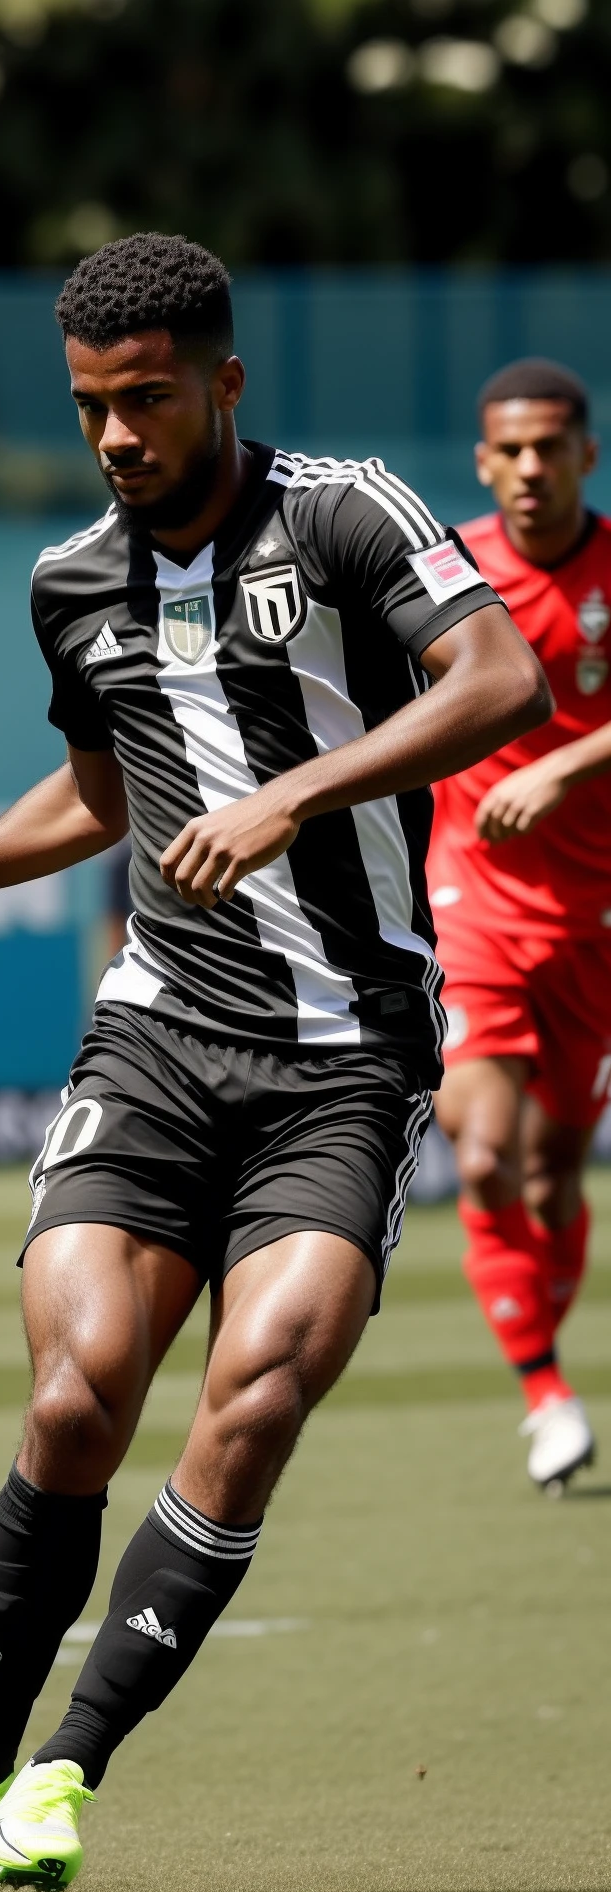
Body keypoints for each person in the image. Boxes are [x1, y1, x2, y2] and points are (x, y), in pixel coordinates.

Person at [0, 234, 545, 1892]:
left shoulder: (344, 514)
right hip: (158, 1035)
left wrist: (294, 795)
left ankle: (60, 1768)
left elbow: (500, 674)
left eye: (144, 401)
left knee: (251, 1390)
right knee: (73, 1394)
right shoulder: (71, 580)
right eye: (87, 408)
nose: (115, 436)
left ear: (221, 382)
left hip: (343, 1058)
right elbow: (97, 796)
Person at [432, 357, 611, 1495]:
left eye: (551, 446)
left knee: (551, 1176)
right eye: (511, 448)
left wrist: (561, 769)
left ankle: (534, 1332)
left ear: (584, 455)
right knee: (484, 1154)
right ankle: (543, 1389)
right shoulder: (446, 570)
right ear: (482, 461)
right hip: (470, 904)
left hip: (590, 912)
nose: (530, 467)